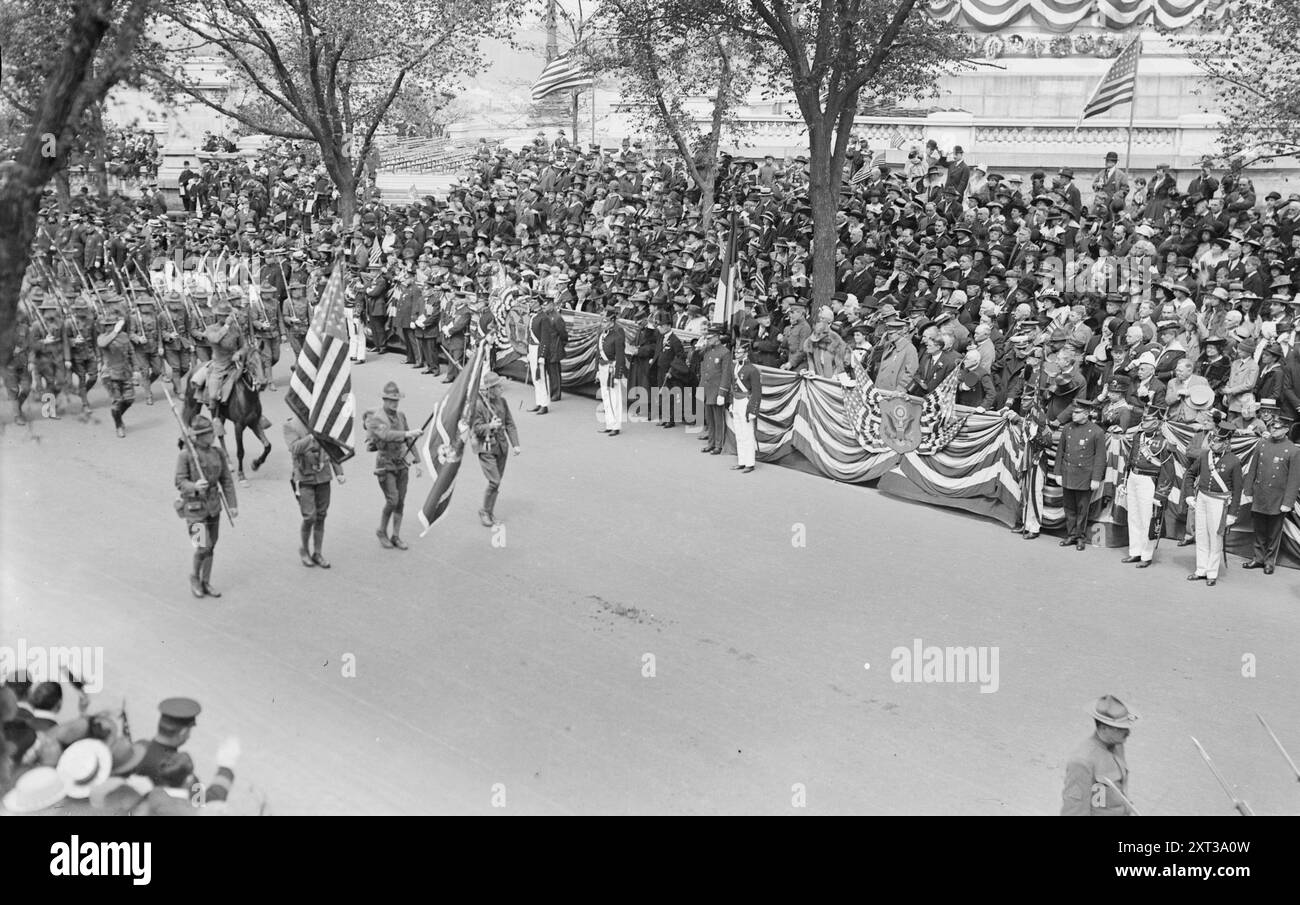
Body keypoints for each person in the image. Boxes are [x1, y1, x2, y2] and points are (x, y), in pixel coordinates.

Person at [175, 415, 237, 597]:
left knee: (211, 546)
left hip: (213, 507)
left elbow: (226, 480)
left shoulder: (218, 453)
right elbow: (179, 481)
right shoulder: (186, 455)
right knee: (202, 546)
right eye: (210, 433)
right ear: (200, 436)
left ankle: (206, 582)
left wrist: (232, 505)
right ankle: (194, 577)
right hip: (194, 509)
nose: (214, 436)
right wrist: (194, 486)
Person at [1241, 401, 1300, 574]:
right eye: (1272, 427)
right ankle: (1258, 558)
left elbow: (1294, 480)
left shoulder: (1293, 450)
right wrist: (1248, 491)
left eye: (1278, 428)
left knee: (1273, 532)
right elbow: (1252, 469)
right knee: (1259, 529)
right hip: (1260, 494)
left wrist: (1288, 502)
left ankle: (1269, 561)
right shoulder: (1262, 444)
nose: (1274, 430)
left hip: (1277, 498)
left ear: (1286, 430)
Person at [1181, 423, 1243, 587]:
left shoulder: (1234, 461)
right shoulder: (1204, 456)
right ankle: (1201, 569)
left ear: (1226, 443)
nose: (1212, 443)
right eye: (1212, 439)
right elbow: (1190, 474)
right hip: (1201, 498)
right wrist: (1189, 495)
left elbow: (1237, 490)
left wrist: (1232, 514)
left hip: (1219, 502)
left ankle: (1212, 572)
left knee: (1215, 537)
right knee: (1200, 534)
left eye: (1216, 441)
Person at [365, 381, 421, 550]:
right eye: (390, 400)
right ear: (384, 400)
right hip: (386, 464)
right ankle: (382, 531)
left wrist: (417, 462)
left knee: (401, 501)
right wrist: (406, 433)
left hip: (402, 462)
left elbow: (409, 440)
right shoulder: (376, 418)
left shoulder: (401, 416)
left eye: (396, 400)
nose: (394, 403)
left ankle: (396, 535)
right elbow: (386, 434)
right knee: (392, 499)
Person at [284, 412, 344, 568]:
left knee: (322, 515)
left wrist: (339, 472)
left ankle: (318, 552)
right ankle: (304, 550)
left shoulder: (323, 424)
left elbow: (331, 447)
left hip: (323, 476)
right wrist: (311, 437)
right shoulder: (291, 425)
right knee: (310, 516)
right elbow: (294, 447)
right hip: (305, 477)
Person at [1061, 695, 1138, 816]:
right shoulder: (1082, 761)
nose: (1128, 732)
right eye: (1121, 728)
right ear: (1103, 728)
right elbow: (1074, 810)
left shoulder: (1117, 746)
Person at [1118, 405, 1170, 569]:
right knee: (1133, 516)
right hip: (1134, 476)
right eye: (1144, 418)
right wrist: (1124, 480)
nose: (1143, 422)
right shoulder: (1137, 437)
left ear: (1157, 422)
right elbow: (1130, 459)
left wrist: (1160, 495)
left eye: (1147, 419)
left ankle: (1146, 555)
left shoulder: (1164, 442)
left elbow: (1168, 471)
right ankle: (1135, 551)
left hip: (1149, 481)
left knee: (1147, 519)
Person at [1054, 398, 1106, 551]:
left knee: (1082, 509)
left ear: (1087, 414)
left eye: (1077, 412)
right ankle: (1070, 534)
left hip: (1085, 476)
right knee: (1069, 507)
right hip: (1068, 473)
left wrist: (1096, 478)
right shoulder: (1067, 429)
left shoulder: (1097, 431)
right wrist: (1058, 472)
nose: (1073, 415)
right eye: (1073, 412)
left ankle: (1080, 537)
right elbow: (1060, 452)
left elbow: (1100, 458)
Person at [470, 371, 521, 527]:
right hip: (486, 448)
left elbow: (510, 423)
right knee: (494, 480)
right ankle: (484, 511)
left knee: (496, 483)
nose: (501, 389)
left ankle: (490, 513)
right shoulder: (479, 405)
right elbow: (476, 428)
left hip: (501, 447)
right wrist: (490, 426)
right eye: (498, 386)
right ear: (490, 389)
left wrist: (515, 444)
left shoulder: (502, 402)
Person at [95, 298, 136, 438]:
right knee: (117, 401)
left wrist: (136, 370)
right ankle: (119, 425)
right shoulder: (102, 337)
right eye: (107, 325)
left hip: (125, 372)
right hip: (110, 374)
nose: (109, 327)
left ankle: (117, 417)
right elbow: (103, 344)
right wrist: (114, 333)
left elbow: (131, 352)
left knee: (129, 400)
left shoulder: (124, 336)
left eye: (112, 325)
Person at [698, 325, 733, 454]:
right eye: (707, 337)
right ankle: (711, 443)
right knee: (709, 419)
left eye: (710, 337)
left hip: (717, 390)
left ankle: (719, 444)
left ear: (717, 337)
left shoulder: (725, 352)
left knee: (718, 419)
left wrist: (722, 392)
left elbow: (726, 374)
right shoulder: (707, 351)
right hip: (707, 389)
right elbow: (704, 370)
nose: (708, 340)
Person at [729, 340, 762, 474]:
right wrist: (731, 403)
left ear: (746, 353)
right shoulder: (735, 367)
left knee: (747, 434)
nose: (736, 354)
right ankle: (741, 461)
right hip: (736, 401)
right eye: (735, 351)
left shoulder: (752, 370)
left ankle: (750, 462)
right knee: (739, 433)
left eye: (739, 352)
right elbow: (733, 387)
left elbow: (757, 392)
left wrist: (753, 410)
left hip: (745, 402)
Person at [596, 307, 627, 436]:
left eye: (606, 321)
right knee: (606, 397)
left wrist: (617, 375)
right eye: (603, 321)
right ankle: (609, 423)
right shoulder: (603, 334)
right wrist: (597, 370)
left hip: (612, 368)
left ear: (612, 321)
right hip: (603, 367)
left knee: (614, 397)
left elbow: (620, 357)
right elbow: (598, 353)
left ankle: (616, 425)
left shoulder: (617, 335)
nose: (603, 323)